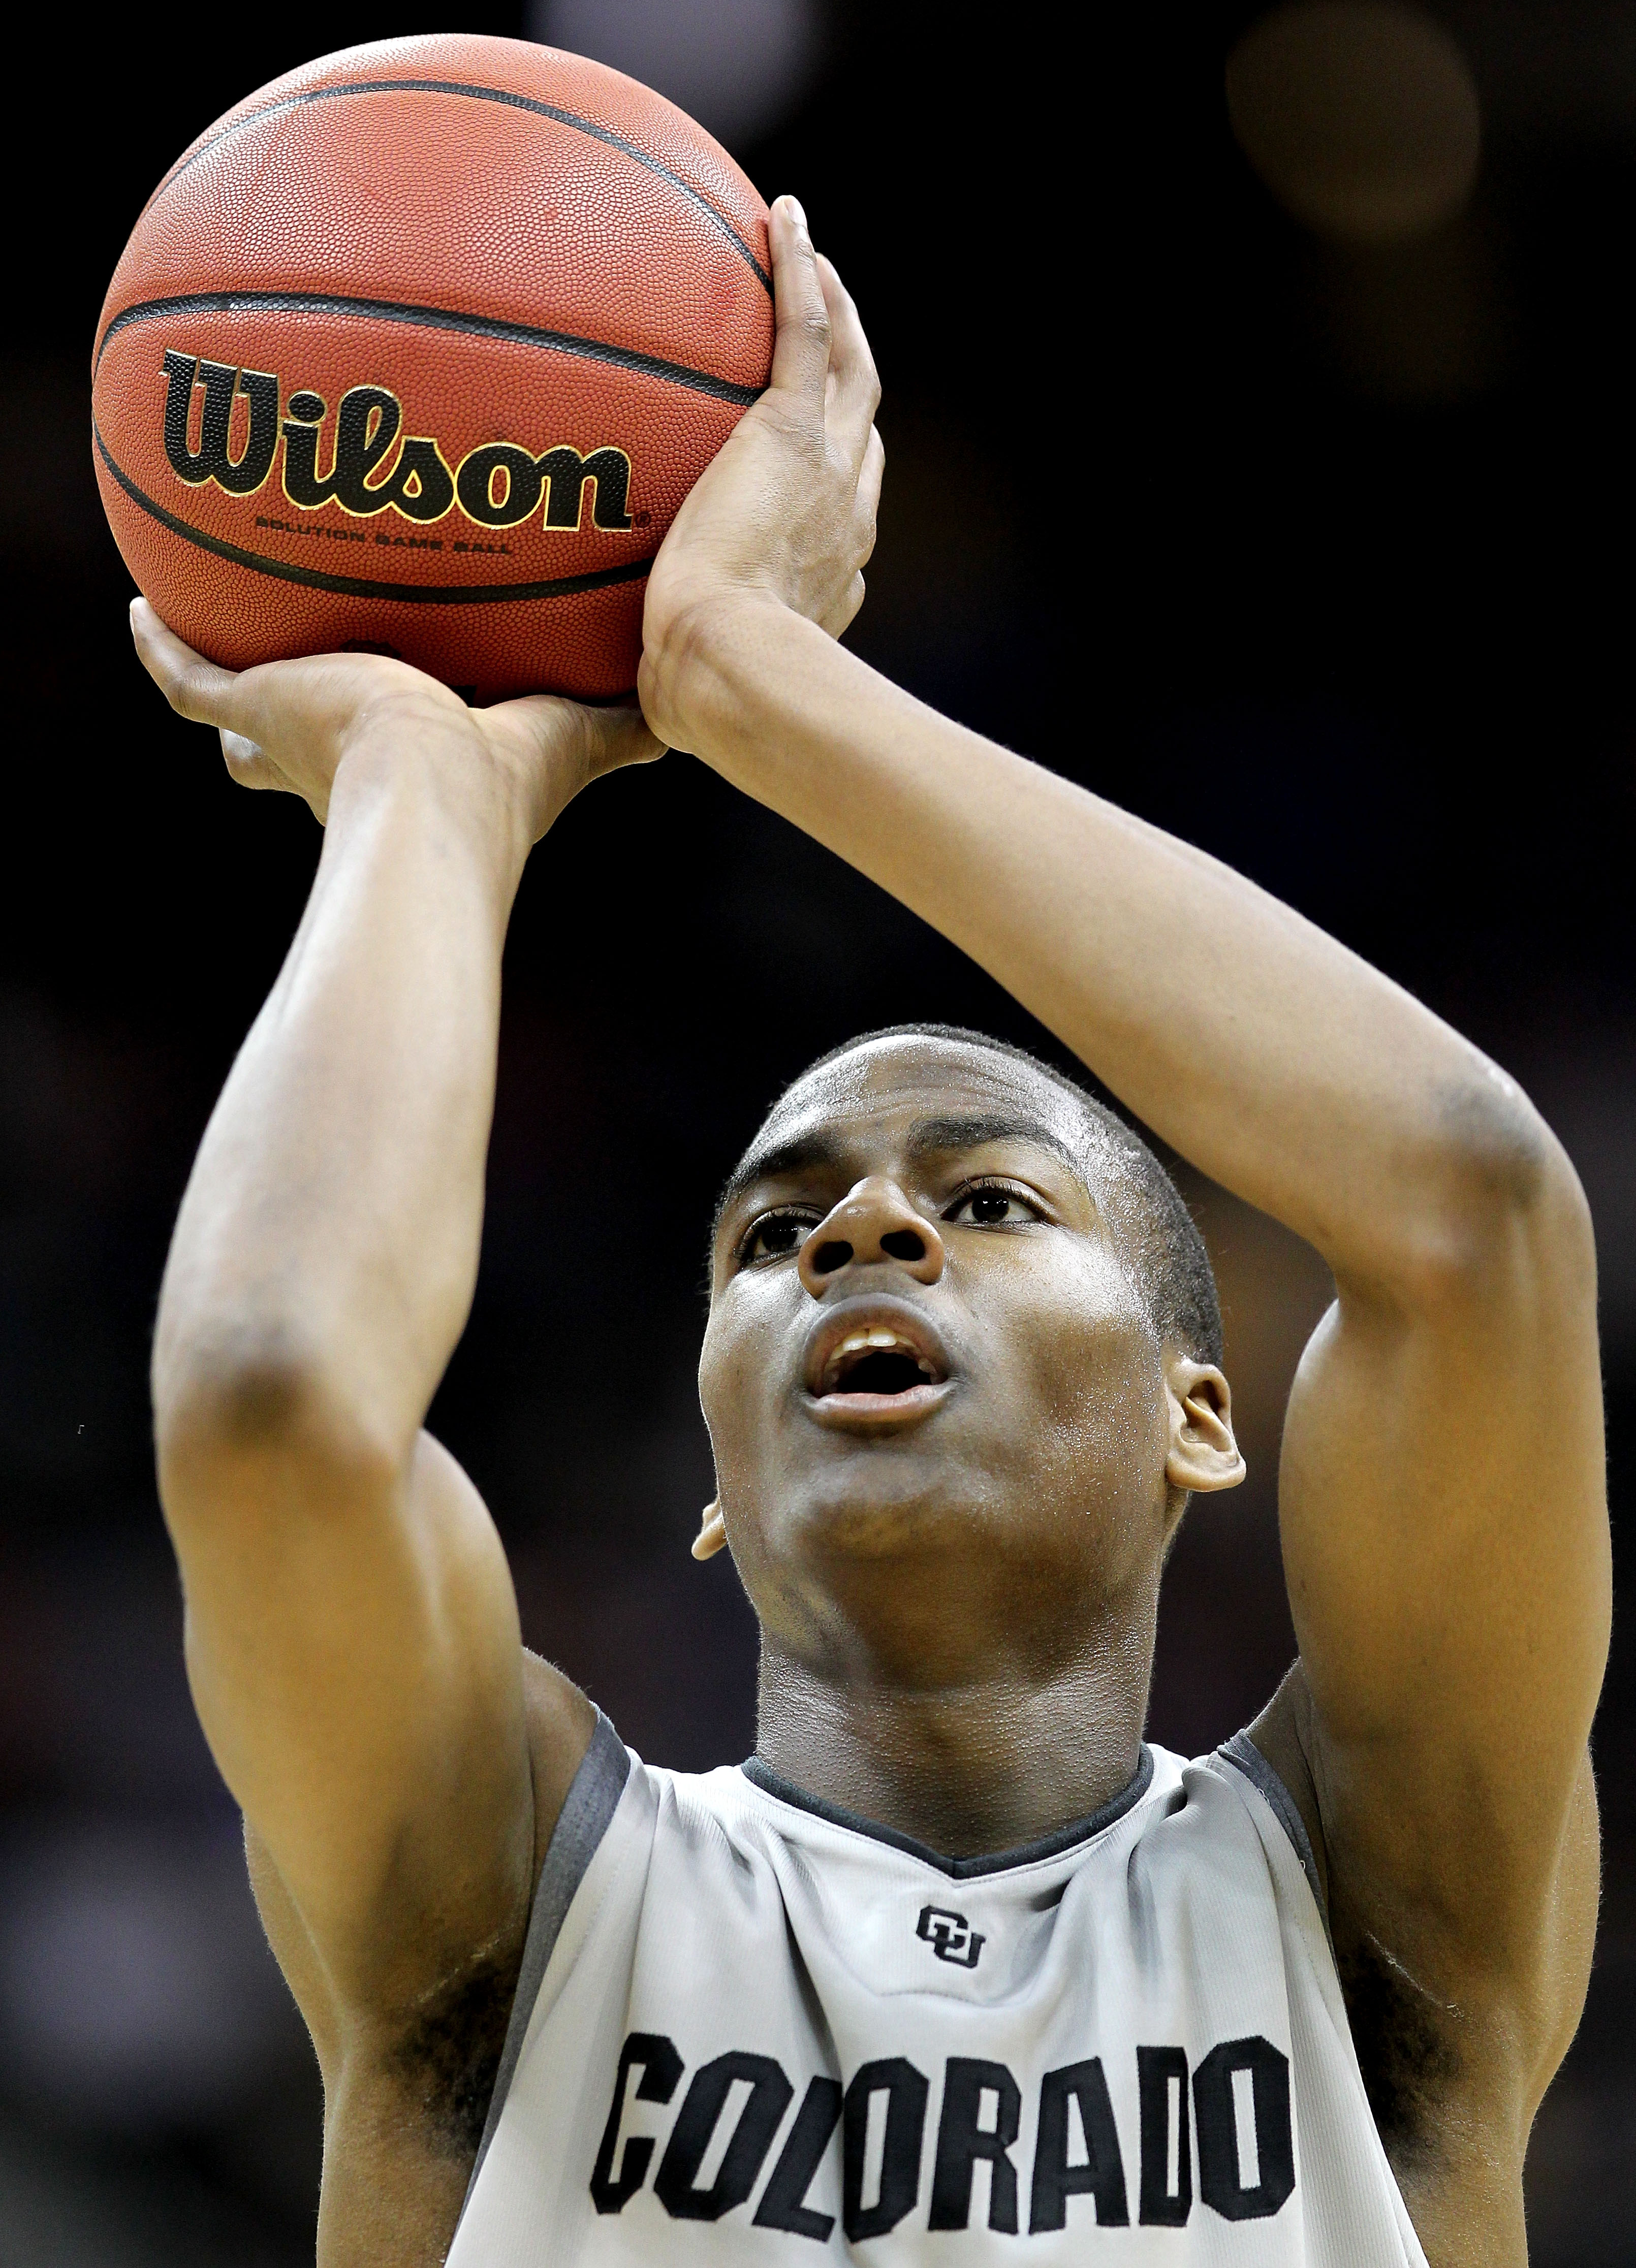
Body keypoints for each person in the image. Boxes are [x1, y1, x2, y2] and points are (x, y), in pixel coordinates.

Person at [135, 199, 1606, 2267]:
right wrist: (418, 787)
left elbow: (1471, 1203)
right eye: (773, 1234)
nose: (860, 1232)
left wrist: (745, 683)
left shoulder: (1376, 1912)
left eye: (988, 1198)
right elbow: (270, 1400)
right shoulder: (516, 1891)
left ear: (1204, 1414)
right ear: (716, 1486)